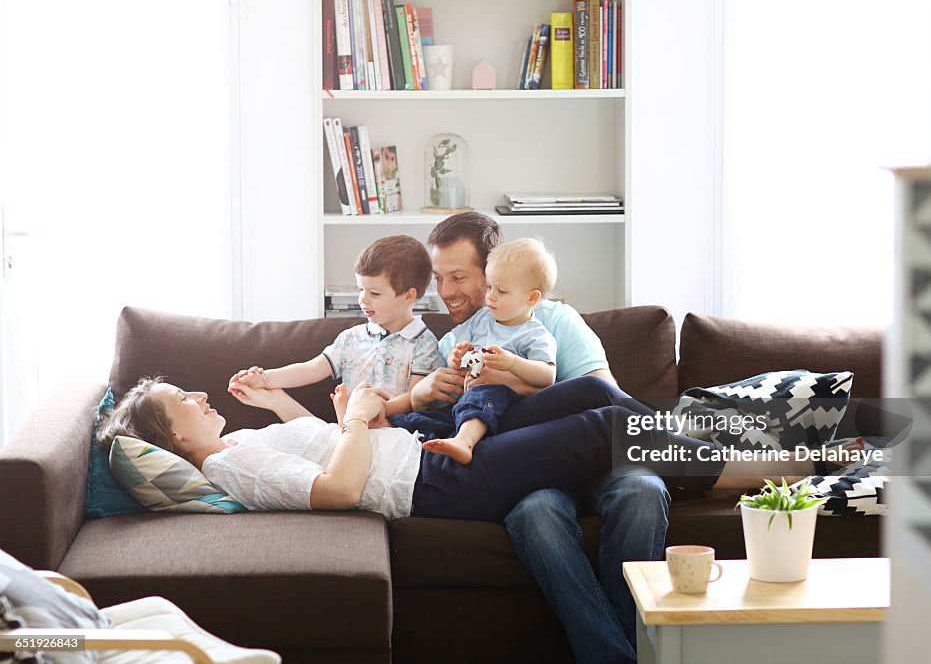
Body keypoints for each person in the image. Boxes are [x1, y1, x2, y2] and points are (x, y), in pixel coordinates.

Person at [407, 212, 666, 664]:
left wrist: (520, 380)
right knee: (538, 515)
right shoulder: (455, 339)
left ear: (494, 270)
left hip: (599, 459)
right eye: (438, 278)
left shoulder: (553, 321)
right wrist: (423, 393)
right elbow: (454, 424)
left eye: (459, 277)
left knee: (643, 493)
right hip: (529, 477)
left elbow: (606, 399)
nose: (446, 292)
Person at [97, 375, 852, 523]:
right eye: (183, 406)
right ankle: (789, 464)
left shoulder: (244, 443)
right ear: (177, 441)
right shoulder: (228, 465)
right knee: (600, 430)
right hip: (437, 489)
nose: (200, 400)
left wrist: (358, 421)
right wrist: (360, 421)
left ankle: (694, 454)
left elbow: (321, 451)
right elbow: (333, 491)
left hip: (426, 452)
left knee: (590, 393)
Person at [392, 237, 560, 465]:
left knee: (485, 394)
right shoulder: (482, 319)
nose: (490, 296)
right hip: (464, 402)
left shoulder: (535, 335)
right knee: (422, 419)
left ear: (532, 298)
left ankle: (465, 442)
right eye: (490, 286)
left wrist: (512, 364)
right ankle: (386, 426)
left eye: (501, 291)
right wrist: (456, 357)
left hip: (500, 404)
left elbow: (547, 376)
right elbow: (455, 353)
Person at [229, 235, 439, 416]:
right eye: (360, 289)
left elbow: (415, 397)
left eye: (374, 293)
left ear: (408, 296)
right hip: (348, 431)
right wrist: (265, 378)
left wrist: (377, 411)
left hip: (395, 434)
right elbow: (312, 368)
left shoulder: (423, 343)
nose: (363, 300)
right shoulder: (352, 338)